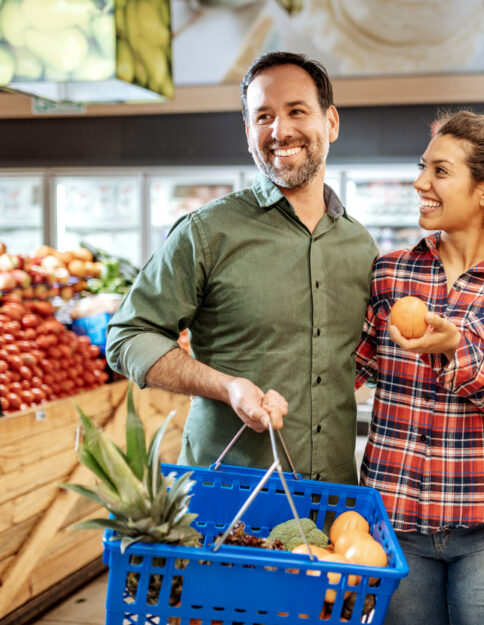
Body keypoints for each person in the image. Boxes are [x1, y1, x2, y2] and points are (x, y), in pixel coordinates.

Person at [106, 52, 378, 483]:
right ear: (249, 132)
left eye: (296, 111)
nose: (280, 130)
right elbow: (127, 336)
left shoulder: (360, 246)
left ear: (331, 123)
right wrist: (226, 386)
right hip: (228, 494)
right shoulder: (207, 232)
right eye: (263, 116)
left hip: (333, 499)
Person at [355, 109, 484, 625]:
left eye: (440, 172)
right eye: (422, 167)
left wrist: (457, 351)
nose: (420, 182)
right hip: (393, 523)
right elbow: (350, 371)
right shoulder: (389, 273)